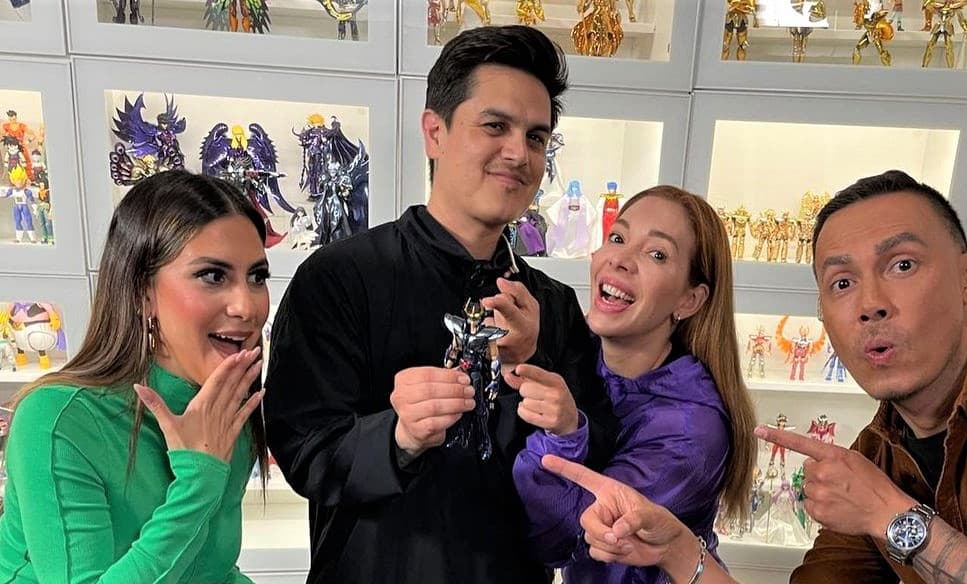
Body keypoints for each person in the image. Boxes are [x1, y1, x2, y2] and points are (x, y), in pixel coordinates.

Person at [540, 170, 967, 584]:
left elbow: (554, 531)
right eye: (842, 282)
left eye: (902, 265)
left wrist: (893, 517)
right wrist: (677, 550)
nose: (870, 304)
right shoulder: (874, 458)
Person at [263, 25, 618, 584]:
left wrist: (558, 403)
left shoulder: (552, 305)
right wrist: (398, 437)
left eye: (536, 137)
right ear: (435, 132)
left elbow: (598, 454)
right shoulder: (339, 278)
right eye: (495, 126)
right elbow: (302, 447)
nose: (518, 153)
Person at [0, 170, 270, 583]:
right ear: (143, 291)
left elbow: (213, 572)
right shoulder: (56, 419)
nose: (247, 307)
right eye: (213, 276)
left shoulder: (227, 407)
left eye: (257, 277)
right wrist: (198, 481)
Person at [511, 186, 756, 583]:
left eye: (657, 254)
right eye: (617, 237)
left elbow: (560, 537)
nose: (620, 259)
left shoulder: (691, 429)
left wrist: (564, 434)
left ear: (690, 300)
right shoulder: (578, 354)